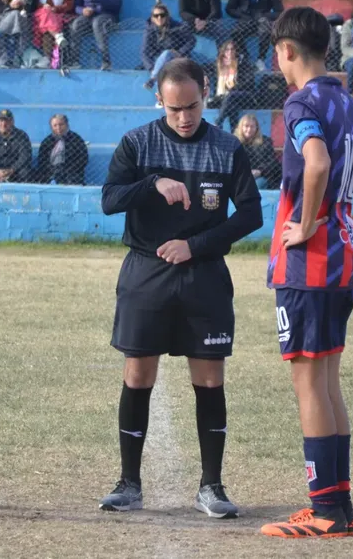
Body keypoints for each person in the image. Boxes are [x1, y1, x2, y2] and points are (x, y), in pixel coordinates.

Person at [260, 7, 353, 539]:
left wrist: (304, 226)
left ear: (287, 52)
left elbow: (317, 164)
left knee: (308, 384)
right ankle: (339, 508)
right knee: (326, 382)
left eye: (277, 52)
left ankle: (325, 511)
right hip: (342, 258)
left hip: (309, 264)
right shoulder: (345, 101)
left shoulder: (301, 101)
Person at [98, 57, 263, 519]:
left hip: (204, 276)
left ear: (204, 94)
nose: (184, 118)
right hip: (146, 274)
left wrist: (197, 246)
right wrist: (153, 183)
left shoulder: (228, 148)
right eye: (174, 109)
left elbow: (251, 214)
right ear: (160, 101)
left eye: (191, 106)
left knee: (209, 380)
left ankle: (212, 486)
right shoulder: (137, 143)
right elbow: (110, 199)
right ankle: (129, 482)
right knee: (137, 376)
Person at [225, 0, 284, 71]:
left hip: (262, 22)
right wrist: (242, 15)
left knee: (267, 30)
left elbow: (280, 11)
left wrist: (264, 16)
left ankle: (260, 60)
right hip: (245, 22)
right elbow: (229, 8)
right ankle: (244, 56)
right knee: (235, 32)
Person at [69, 0, 122, 71]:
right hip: (88, 17)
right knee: (76, 24)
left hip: (108, 16)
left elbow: (116, 5)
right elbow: (75, 6)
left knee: (98, 23)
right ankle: (74, 61)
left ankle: (106, 61)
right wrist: (82, 11)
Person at [141, 0, 195, 90]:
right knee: (163, 65)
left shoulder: (177, 26)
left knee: (167, 53)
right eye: (156, 16)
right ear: (152, 18)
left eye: (162, 15)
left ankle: (153, 79)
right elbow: (144, 52)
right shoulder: (150, 30)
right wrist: (151, 68)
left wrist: (180, 52)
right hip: (158, 62)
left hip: (176, 58)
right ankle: (156, 79)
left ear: (167, 16)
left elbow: (192, 40)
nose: (159, 18)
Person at [206, 39, 256, 131]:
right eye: (227, 49)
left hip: (244, 95)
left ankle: (217, 122)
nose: (230, 52)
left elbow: (249, 82)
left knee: (231, 96)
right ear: (223, 51)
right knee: (232, 105)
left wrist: (233, 88)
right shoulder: (219, 65)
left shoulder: (243, 64)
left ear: (236, 51)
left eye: (232, 49)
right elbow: (203, 68)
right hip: (227, 99)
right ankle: (235, 132)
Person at [0, 109, 32, 183]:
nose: (3, 124)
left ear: (12, 122)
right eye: (1, 121)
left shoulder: (21, 136)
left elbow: (25, 157)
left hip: (15, 171)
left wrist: (12, 170)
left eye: (7, 121)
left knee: (25, 172)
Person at [36, 113, 88, 185]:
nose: (58, 128)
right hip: (51, 172)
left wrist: (67, 169)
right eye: (55, 125)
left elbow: (83, 159)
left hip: (71, 173)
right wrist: (53, 170)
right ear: (51, 127)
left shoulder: (76, 139)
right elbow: (42, 161)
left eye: (61, 124)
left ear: (67, 125)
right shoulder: (47, 141)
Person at [234, 113, 281, 190]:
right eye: (246, 126)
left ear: (257, 128)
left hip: (261, 175)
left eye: (252, 126)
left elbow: (272, 162)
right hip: (240, 175)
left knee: (256, 185)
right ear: (241, 127)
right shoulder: (234, 142)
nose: (249, 129)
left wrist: (260, 171)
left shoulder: (265, 141)